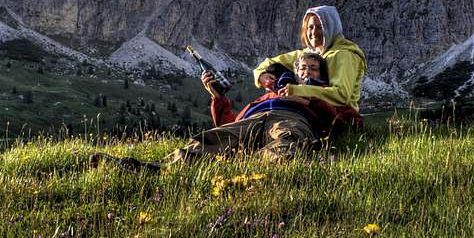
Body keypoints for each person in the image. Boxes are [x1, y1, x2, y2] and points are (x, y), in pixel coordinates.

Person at [90, 51, 357, 171]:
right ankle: (151, 168)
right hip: (255, 117)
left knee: (286, 144)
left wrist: (308, 95)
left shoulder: (322, 93)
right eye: (301, 69)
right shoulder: (272, 91)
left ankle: (250, 181)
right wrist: (217, 97)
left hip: (291, 119)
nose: (305, 72)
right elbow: (229, 120)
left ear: (321, 74)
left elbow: (348, 118)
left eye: (312, 68)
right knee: (211, 140)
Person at [253, 5, 366, 111]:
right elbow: (269, 63)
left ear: (331, 27)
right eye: (310, 27)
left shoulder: (344, 54)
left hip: (337, 113)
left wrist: (296, 90)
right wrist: (262, 76)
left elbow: (341, 95)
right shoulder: (307, 54)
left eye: (320, 27)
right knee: (274, 68)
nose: (314, 32)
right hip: (311, 106)